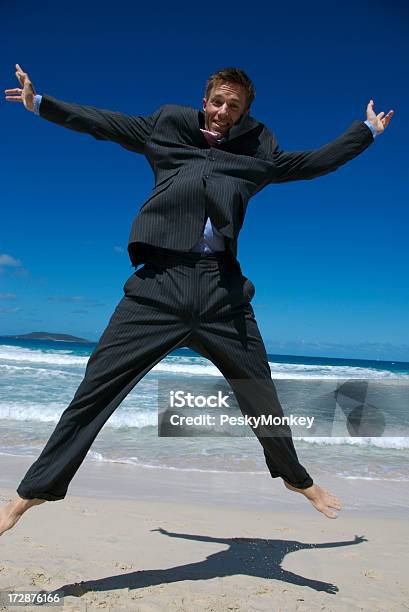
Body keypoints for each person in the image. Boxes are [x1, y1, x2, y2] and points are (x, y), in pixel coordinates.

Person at [0, 64, 393, 536]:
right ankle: (29, 495)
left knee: (259, 393)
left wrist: (366, 132)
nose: (222, 112)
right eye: (217, 102)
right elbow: (102, 123)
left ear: (244, 113)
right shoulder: (165, 129)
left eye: (234, 107)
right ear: (203, 100)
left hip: (221, 293)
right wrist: (40, 103)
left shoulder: (258, 151)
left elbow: (315, 162)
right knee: (95, 389)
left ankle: (296, 479)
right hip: (157, 288)